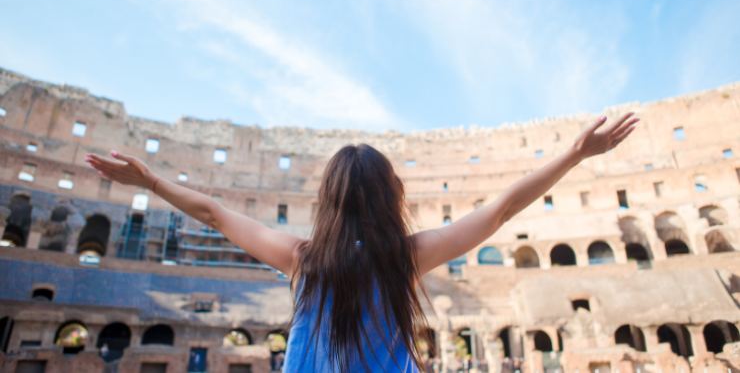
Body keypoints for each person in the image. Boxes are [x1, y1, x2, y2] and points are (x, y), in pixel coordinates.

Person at [85, 112, 639, 372]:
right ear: (389, 196)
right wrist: (574, 155)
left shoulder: (301, 259)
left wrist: (151, 182)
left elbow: (212, 212)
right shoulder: (408, 257)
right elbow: (501, 212)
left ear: (327, 201)